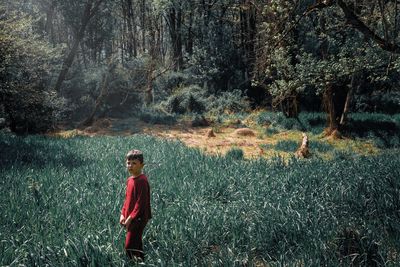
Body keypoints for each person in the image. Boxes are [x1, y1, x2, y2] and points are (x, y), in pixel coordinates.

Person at [120, 149, 152, 261]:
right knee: (136, 243)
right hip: (131, 217)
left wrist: (130, 218)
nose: (130, 165)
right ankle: (141, 260)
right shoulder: (130, 180)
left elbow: (140, 204)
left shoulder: (142, 181)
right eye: (128, 163)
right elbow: (127, 200)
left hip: (139, 218)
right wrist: (123, 214)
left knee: (129, 246)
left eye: (134, 163)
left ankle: (132, 262)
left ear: (142, 165)